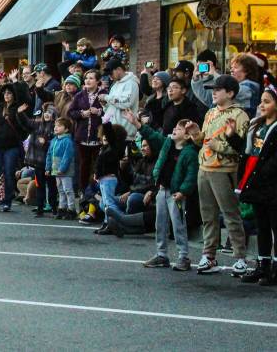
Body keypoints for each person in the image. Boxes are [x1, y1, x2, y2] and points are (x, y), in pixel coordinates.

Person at [193, 74, 250, 275]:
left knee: (230, 213)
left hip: (224, 169)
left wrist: (215, 144)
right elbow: (204, 139)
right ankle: (209, 255)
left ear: (231, 93)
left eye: (218, 89)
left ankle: (240, 257)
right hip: (205, 167)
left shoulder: (239, 115)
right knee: (207, 215)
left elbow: (239, 146)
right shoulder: (210, 113)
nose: (214, 93)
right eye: (213, 90)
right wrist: (195, 134)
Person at [136, 115, 200, 272]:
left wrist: (183, 191)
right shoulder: (167, 144)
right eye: (175, 128)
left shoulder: (190, 152)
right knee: (160, 223)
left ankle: (183, 256)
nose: (174, 130)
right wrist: (137, 124)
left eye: (178, 129)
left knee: (178, 224)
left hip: (175, 193)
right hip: (162, 189)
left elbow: (191, 175)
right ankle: (161, 254)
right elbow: (152, 135)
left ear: (186, 135)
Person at [234, 83, 277, 284]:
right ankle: (263, 266)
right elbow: (247, 151)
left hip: (270, 183)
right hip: (255, 180)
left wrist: (262, 172)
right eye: (261, 101)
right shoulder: (257, 125)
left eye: (267, 102)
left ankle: (274, 267)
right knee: (261, 226)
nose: (262, 105)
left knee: (274, 226)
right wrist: (232, 136)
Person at [0, 83, 30, 212]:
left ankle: (7, 202)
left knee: (9, 174)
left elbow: (23, 126)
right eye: (5, 93)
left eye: (9, 93)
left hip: (12, 146)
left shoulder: (18, 108)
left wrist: (19, 113)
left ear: (14, 95)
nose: (7, 95)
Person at [69, 70, 106, 192]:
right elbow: (71, 112)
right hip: (82, 136)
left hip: (99, 137)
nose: (88, 81)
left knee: (97, 166)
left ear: (97, 81)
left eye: (91, 78)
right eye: (86, 78)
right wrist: (82, 113)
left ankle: (96, 191)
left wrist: (99, 112)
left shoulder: (104, 94)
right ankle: (83, 191)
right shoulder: (79, 95)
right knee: (83, 165)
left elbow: (111, 112)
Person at [27, 105, 57, 217]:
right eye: (45, 112)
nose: (47, 114)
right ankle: (40, 208)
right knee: (40, 185)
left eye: (50, 112)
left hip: (51, 162)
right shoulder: (38, 125)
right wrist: (20, 113)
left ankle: (54, 207)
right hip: (39, 161)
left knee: (52, 186)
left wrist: (46, 142)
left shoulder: (56, 127)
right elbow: (25, 122)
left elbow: (56, 143)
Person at [100, 58, 139, 141]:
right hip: (113, 132)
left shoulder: (131, 84)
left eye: (111, 73)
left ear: (119, 69)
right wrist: (105, 104)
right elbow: (112, 107)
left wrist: (106, 97)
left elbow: (126, 103)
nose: (110, 77)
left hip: (125, 134)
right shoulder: (115, 85)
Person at [47, 118, 77, 219]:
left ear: (66, 129)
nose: (56, 127)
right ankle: (62, 208)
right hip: (56, 170)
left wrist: (62, 168)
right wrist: (48, 168)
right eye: (55, 125)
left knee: (68, 190)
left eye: (59, 126)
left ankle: (71, 209)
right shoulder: (54, 140)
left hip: (65, 171)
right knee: (60, 190)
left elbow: (67, 156)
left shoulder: (67, 141)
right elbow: (49, 155)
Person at [230, 52, 263, 118]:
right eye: (231, 67)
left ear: (247, 71)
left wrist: (213, 74)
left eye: (236, 67)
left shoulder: (248, 87)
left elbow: (224, 93)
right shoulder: (247, 85)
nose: (231, 70)